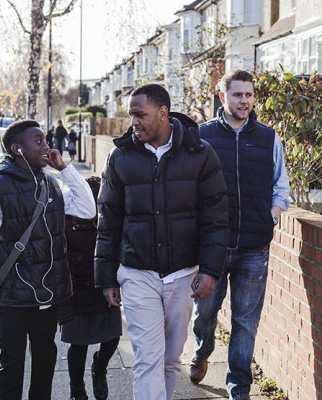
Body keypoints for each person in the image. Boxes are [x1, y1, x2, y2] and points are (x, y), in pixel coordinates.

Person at [94, 83, 229, 400]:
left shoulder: (200, 154)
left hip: (183, 276)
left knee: (170, 361)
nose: (133, 122)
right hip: (137, 273)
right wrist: (105, 277)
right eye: (131, 115)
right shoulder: (120, 157)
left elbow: (217, 217)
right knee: (148, 360)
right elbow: (108, 219)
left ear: (163, 113)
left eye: (139, 114)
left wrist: (209, 269)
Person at [0, 119, 96, 400]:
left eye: (46, 140)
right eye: (38, 141)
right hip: (12, 298)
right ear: (17, 149)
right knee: (10, 368)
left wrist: (65, 169)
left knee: (45, 366)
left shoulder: (52, 184)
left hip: (47, 296)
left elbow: (86, 209)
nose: (46, 146)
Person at [190, 70, 290, 400]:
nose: (244, 101)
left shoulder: (267, 137)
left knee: (245, 322)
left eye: (249, 95)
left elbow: (281, 185)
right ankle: (203, 351)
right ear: (223, 97)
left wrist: (271, 217)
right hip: (212, 248)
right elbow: (189, 187)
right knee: (205, 314)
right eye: (237, 95)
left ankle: (239, 388)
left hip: (254, 246)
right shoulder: (203, 136)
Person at [60, 176, 122, 400]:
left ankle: (99, 367)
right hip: (74, 289)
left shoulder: (108, 220)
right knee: (78, 345)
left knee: (112, 337)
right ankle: (77, 390)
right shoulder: (64, 219)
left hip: (103, 285)